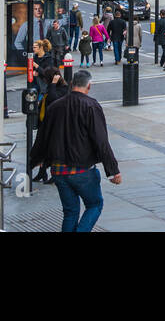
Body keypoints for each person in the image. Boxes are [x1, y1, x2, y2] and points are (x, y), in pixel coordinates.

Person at [27, 69, 121, 232]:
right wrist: (113, 171)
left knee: (70, 212)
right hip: (82, 169)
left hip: (58, 170)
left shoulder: (55, 106)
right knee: (94, 205)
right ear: (89, 86)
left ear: (71, 85)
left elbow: (42, 136)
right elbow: (101, 141)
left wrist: (35, 160)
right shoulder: (91, 105)